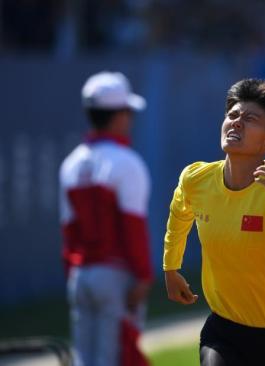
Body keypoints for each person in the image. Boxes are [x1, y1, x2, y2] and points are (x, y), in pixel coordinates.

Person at [163, 78, 265, 366]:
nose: (236, 122)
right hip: (223, 334)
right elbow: (179, 212)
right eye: (232, 115)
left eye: (250, 118)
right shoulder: (196, 179)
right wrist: (171, 267)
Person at [59, 71, 153, 366]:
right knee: (115, 358)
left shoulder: (72, 163)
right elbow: (133, 226)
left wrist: (74, 274)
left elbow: (68, 230)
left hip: (81, 274)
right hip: (116, 275)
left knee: (83, 360)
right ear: (121, 115)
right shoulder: (127, 162)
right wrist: (144, 274)